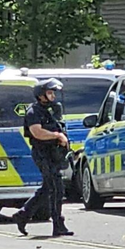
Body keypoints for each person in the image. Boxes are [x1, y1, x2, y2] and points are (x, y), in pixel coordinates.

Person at [12, 78, 74, 237]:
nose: (53, 96)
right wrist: (57, 135)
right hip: (42, 153)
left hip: (54, 153)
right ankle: (58, 224)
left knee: (48, 187)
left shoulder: (52, 109)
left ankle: (23, 214)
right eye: (49, 93)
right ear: (41, 95)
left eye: (53, 93)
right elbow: (37, 132)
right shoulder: (34, 112)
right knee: (56, 188)